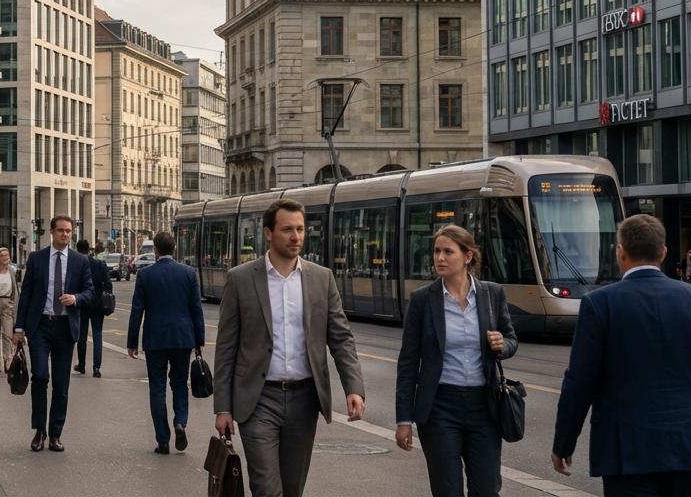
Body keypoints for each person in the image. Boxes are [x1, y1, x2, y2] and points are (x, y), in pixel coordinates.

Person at [552, 214, 691, 496]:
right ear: (663, 253)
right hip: (688, 447)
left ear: (619, 251)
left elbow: (579, 382)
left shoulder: (599, 304)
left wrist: (563, 443)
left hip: (626, 449)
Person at [213, 198, 365, 497]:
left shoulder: (322, 279)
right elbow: (226, 348)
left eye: (300, 229)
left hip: (304, 399)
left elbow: (341, 338)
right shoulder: (241, 279)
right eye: (287, 230)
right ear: (268, 233)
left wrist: (354, 387)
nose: (296, 237)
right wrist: (223, 407)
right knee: (267, 487)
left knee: (292, 488)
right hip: (257, 400)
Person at [394, 225, 517, 497]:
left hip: (484, 406)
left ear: (468, 256)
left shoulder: (491, 294)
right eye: (437, 251)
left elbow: (510, 339)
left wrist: (501, 344)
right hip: (439, 407)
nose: (440, 257)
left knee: (486, 489)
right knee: (447, 489)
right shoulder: (422, 299)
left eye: (448, 252)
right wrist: (404, 419)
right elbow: (408, 363)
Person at [13, 215, 96, 452]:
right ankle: (40, 430)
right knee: (39, 376)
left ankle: (55, 434)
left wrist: (76, 298)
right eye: (61, 230)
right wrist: (19, 328)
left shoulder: (80, 261)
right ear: (51, 232)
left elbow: (90, 292)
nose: (65, 235)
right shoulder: (37, 259)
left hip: (64, 327)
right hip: (40, 326)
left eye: (69, 231)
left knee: (61, 384)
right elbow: (26, 294)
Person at [126, 231, 206, 454]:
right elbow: (196, 310)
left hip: (155, 339)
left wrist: (132, 341)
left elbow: (136, 310)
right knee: (180, 383)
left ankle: (163, 440)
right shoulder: (188, 273)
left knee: (157, 389)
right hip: (182, 338)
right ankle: (180, 421)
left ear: (155, 251)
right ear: (175, 249)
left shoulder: (145, 275)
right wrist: (199, 340)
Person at [75, 240, 113, 378]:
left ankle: (82, 364)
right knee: (97, 335)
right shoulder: (99, 264)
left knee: (82, 336)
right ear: (89, 250)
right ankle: (96, 367)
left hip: (83, 303)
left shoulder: (77, 264)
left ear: (77, 250)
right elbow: (108, 284)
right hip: (97, 304)